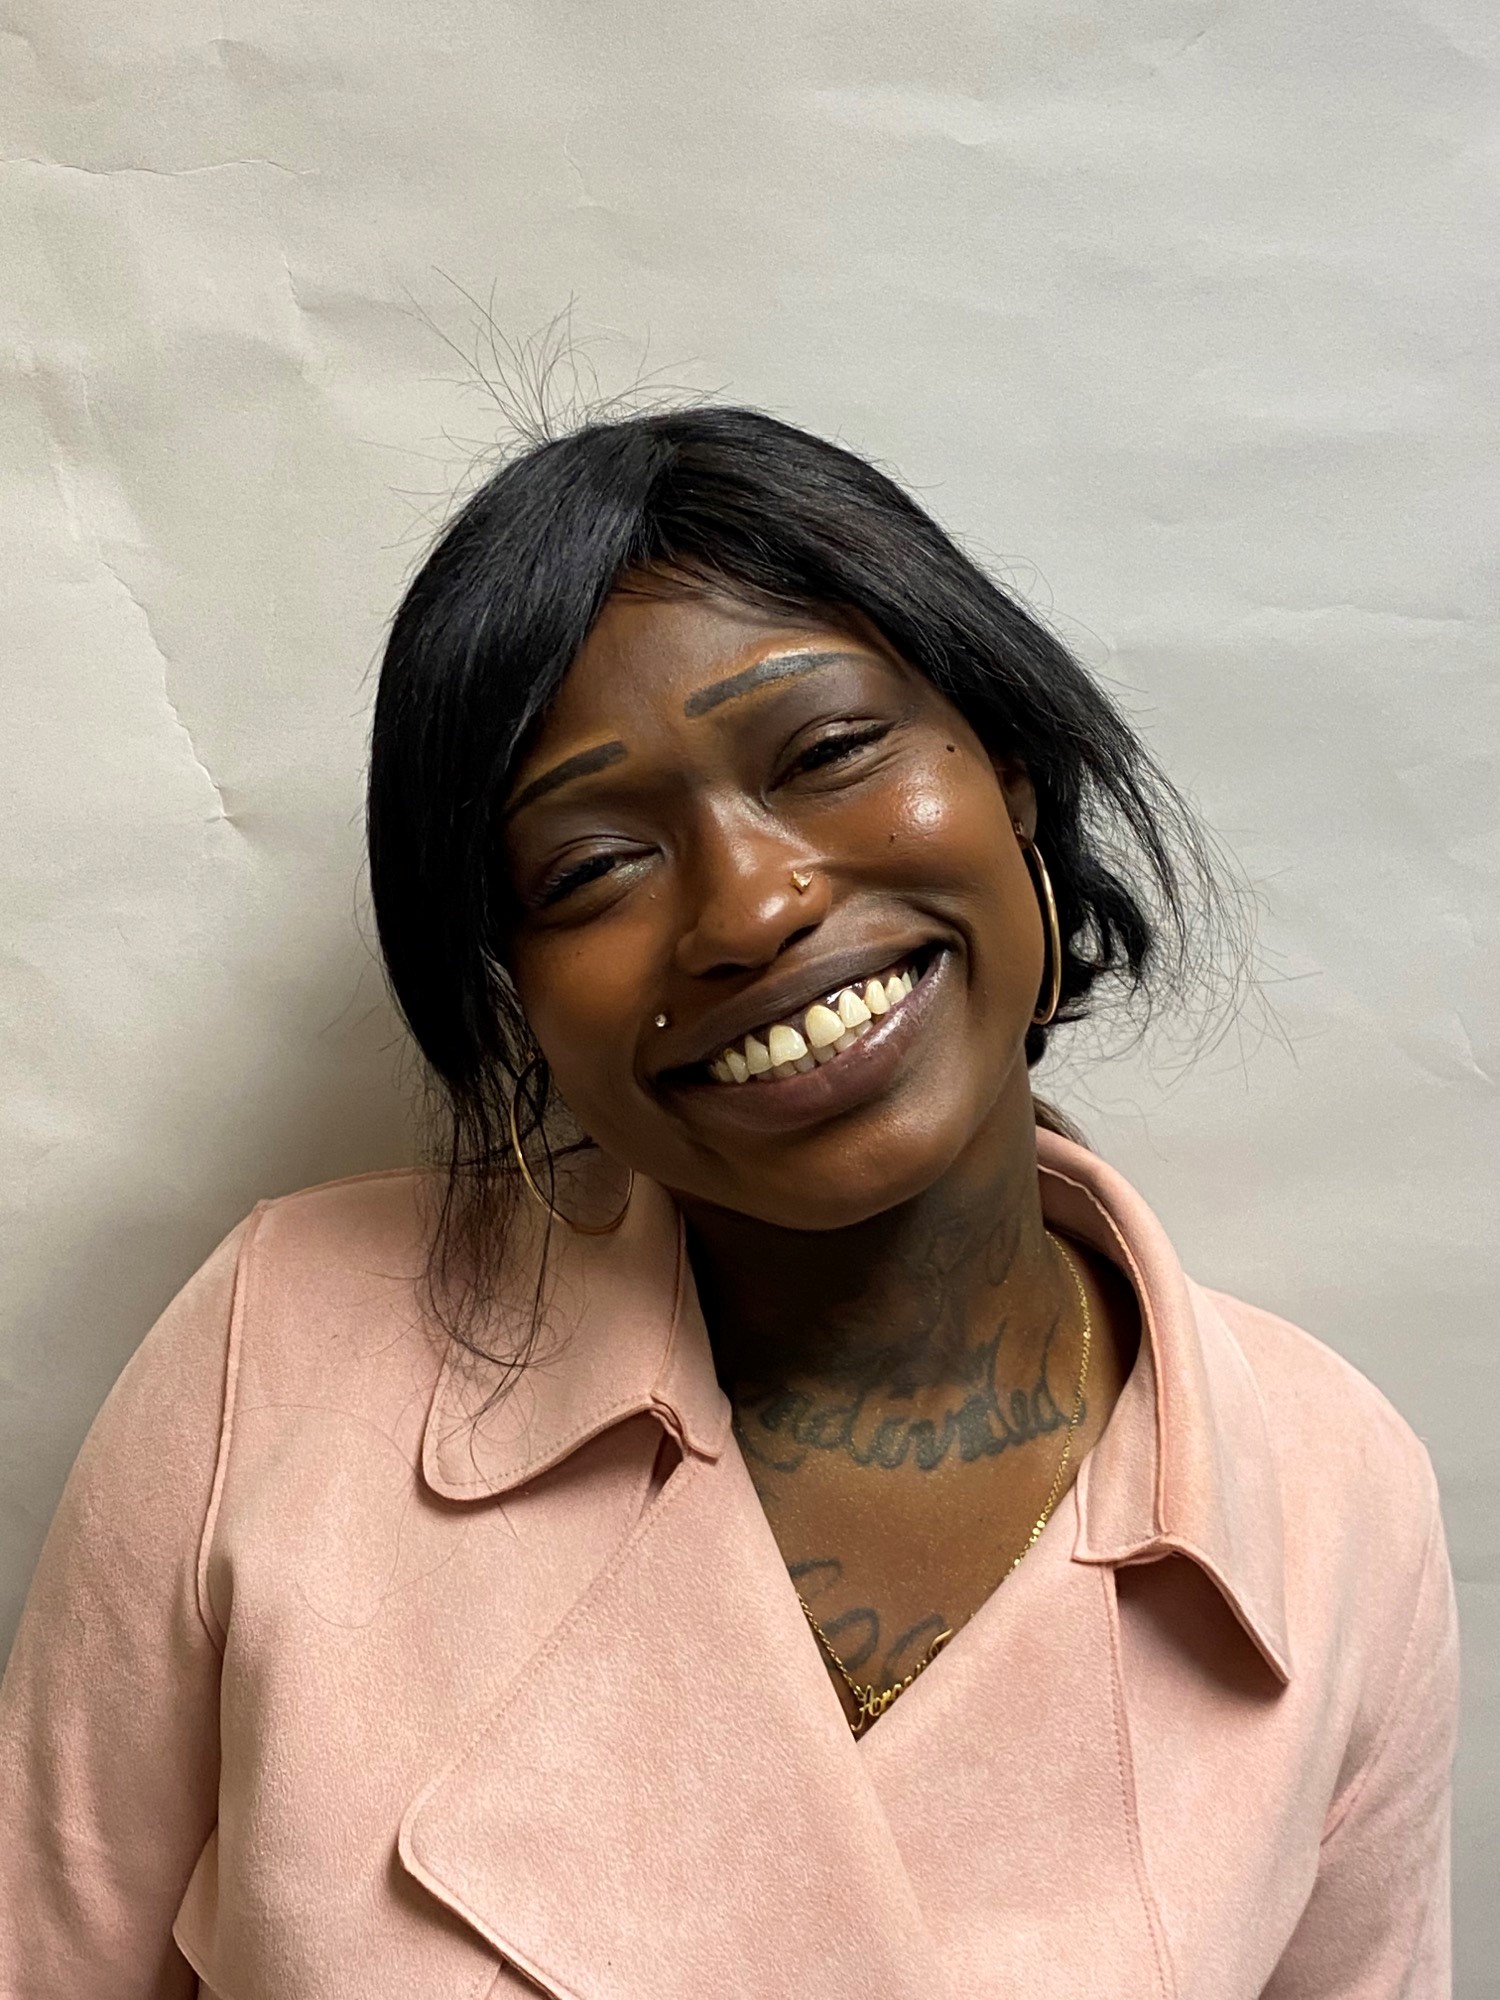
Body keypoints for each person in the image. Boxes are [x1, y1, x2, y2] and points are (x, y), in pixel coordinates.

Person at [0, 407, 1459, 1998]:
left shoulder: (1333, 1498)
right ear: (515, 997)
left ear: (1011, 772)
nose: (752, 908)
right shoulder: (276, 1352)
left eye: (826, 755)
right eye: (589, 869)